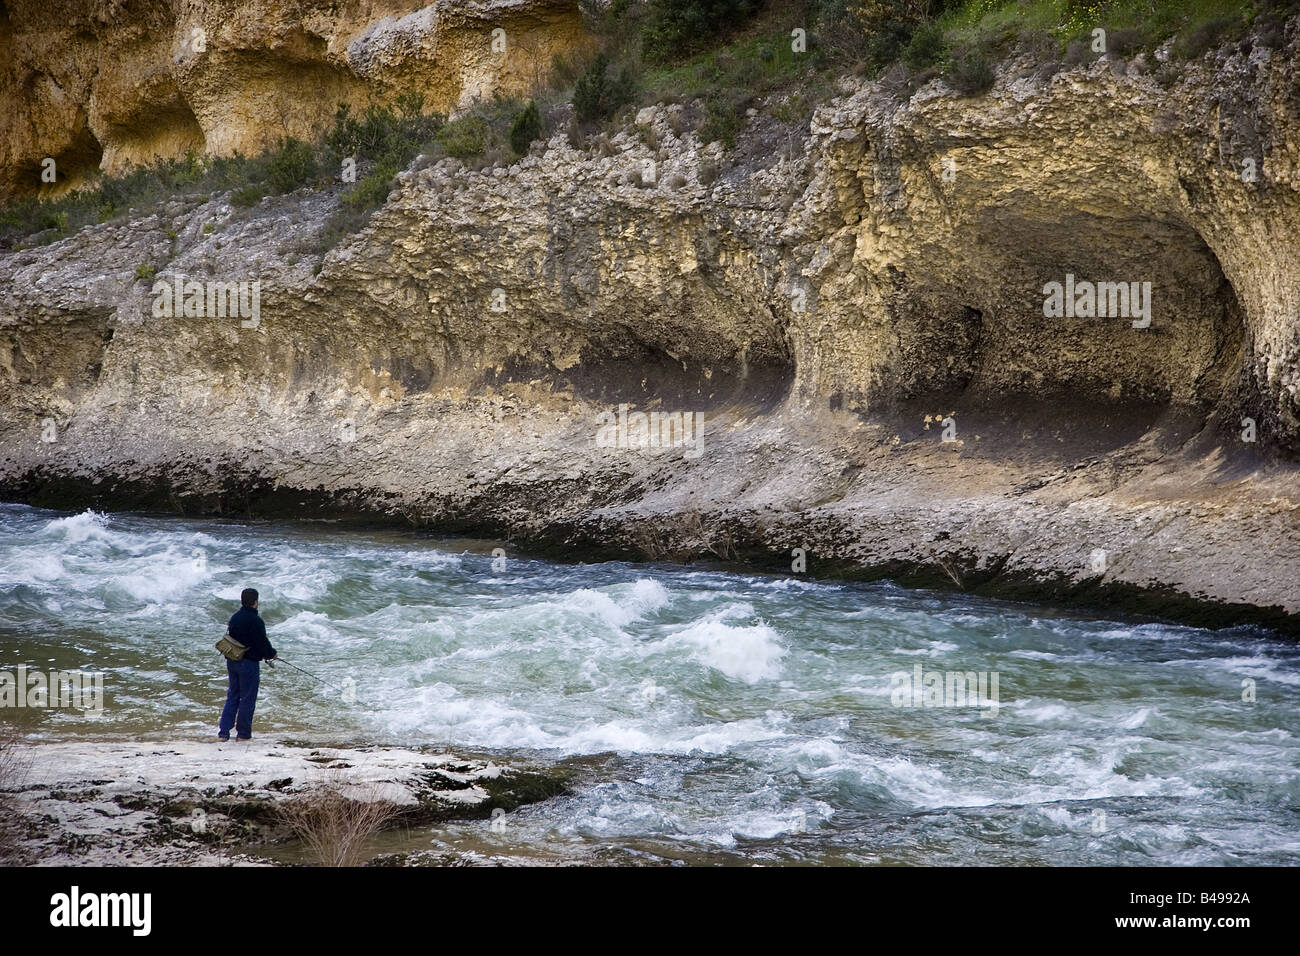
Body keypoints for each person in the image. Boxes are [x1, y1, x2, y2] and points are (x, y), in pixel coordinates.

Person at [218, 588, 277, 741]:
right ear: (255, 602)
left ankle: (223, 732)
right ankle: (243, 734)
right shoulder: (256, 620)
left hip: (232, 661)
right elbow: (262, 643)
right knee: (247, 698)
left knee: (233, 695)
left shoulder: (235, 617)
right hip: (248, 664)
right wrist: (272, 654)